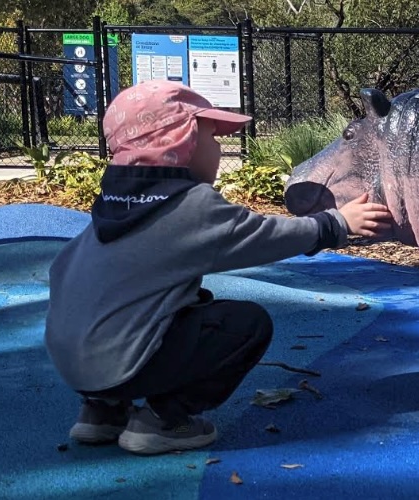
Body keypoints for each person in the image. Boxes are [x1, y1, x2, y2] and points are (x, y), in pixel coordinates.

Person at [43, 81, 392, 455]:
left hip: (72, 361)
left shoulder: (113, 205)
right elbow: (260, 236)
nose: (219, 149)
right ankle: (164, 421)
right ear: (181, 141)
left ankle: (102, 412)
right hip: (121, 362)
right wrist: (335, 223)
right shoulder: (186, 205)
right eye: (212, 138)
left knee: (174, 304)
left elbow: (63, 270)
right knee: (244, 326)